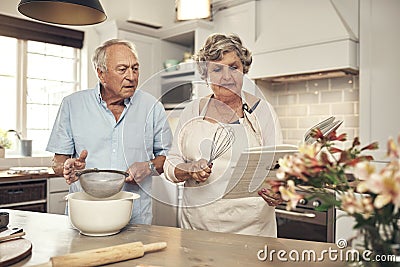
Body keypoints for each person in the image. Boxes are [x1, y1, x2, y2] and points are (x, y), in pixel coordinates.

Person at [163, 33, 283, 237]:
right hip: (198, 227)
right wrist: (189, 169)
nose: (227, 77)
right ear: (205, 75)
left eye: (234, 67)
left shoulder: (263, 112)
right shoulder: (192, 111)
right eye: (217, 69)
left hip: (253, 229)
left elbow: (277, 166)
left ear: (243, 69)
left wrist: (279, 190)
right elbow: (170, 164)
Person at [47, 39, 172, 224]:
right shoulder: (72, 105)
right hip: (85, 216)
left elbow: (169, 158)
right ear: (101, 74)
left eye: (135, 68)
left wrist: (148, 167)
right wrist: (66, 167)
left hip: (135, 218)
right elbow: (58, 162)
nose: (131, 76)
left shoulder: (152, 107)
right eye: (122, 69)